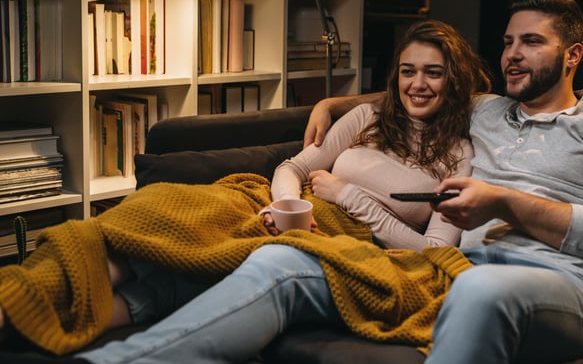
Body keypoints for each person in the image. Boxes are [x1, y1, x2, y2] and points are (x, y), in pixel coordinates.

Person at [2, 0, 583, 364]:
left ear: (573, 53)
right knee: (280, 264)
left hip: (568, 291)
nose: (514, 54)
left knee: (483, 294)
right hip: (454, 272)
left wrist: (506, 202)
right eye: (509, 41)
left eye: (533, 42)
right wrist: (328, 104)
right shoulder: (489, 111)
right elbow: (414, 90)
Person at [0, 18, 492, 358]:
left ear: (454, 80)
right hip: (274, 206)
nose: (418, 84)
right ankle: (19, 300)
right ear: (396, 76)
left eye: (433, 72)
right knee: (156, 209)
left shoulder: (460, 158)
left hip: (335, 235)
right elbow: (295, 166)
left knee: (181, 273)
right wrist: (285, 203)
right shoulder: (366, 117)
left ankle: (24, 316)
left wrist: (349, 196)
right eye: (408, 71)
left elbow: (431, 254)